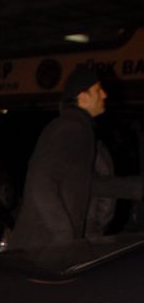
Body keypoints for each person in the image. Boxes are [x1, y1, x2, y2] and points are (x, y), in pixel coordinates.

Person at [8, 66, 143, 250]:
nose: (104, 95)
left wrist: (136, 188)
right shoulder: (71, 128)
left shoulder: (80, 128)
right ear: (83, 97)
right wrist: (64, 234)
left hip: (46, 248)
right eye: (98, 90)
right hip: (40, 250)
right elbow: (40, 180)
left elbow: (88, 183)